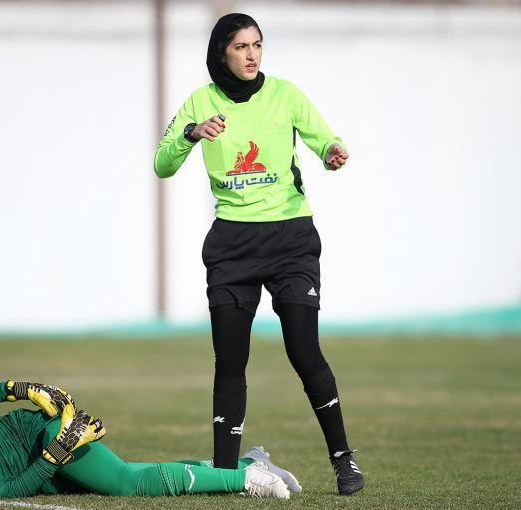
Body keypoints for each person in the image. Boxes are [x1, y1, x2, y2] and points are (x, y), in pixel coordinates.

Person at [154, 13, 364, 495]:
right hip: (232, 245)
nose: (252, 55)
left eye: (257, 45)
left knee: (304, 350)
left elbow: (324, 138)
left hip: (291, 239)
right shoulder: (200, 102)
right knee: (230, 361)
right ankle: (229, 472)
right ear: (221, 53)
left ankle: (343, 460)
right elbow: (162, 164)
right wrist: (191, 134)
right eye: (241, 47)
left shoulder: (285, 94)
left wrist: (333, 151)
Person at [0, 380, 299, 499]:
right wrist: (55, 456)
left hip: (40, 431)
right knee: (133, 472)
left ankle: (245, 479)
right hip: (45, 463)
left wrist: (22, 389)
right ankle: (247, 463)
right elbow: (11, 489)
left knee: (127, 483)